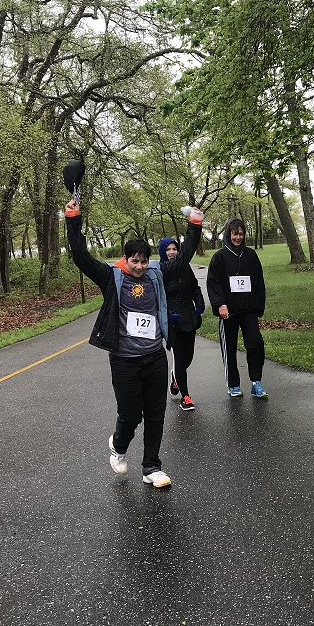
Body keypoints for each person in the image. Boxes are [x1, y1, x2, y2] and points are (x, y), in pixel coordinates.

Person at [63, 163, 203, 487]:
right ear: (125, 259)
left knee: (155, 413)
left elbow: (182, 258)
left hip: (154, 356)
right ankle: (118, 444)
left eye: (143, 260)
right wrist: (73, 218)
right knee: (131, 415)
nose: (139, 266)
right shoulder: (111, 276)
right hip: (124, 360)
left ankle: (152, 467)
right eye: (134, 260)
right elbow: (81, 256)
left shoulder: (156, 273)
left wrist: (194, 226)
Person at [206, 216, 268, 399]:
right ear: (228, 234)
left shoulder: (251, 255)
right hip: (228, 311)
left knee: (255, 344)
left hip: (248, 309)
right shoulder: (220, 257)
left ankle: (256, 382)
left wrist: (259, 305)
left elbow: (258, 281)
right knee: (230, 348)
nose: (238, 237)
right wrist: (220, 304)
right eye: (234, 234)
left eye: (241, 234)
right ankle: (233, 384)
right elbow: (213, 282)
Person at [157, 230, 206, 412]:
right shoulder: (160, 271)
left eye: (174, 249)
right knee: (179, 359)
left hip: (189, 318)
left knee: (188, 358)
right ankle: (185, 397)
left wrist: (199, 304)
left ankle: (175, 377)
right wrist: (169, 315)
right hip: (173, 323)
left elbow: (195, 288)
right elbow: (159, 298)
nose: (172, 252)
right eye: (168, 249)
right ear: (163, 252)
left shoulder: (185, 267)